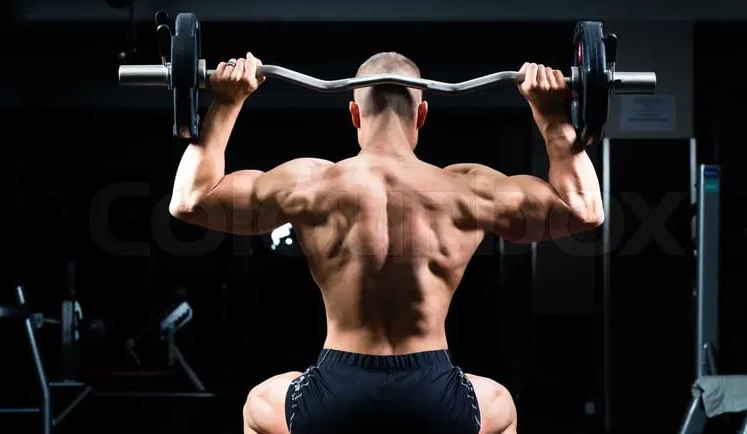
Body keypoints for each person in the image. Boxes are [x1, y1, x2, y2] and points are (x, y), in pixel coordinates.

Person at [169, 51, 603, 434]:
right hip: (434, 395)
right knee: (501, 407)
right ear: (422, 115)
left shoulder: (311, 182)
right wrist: (550, 116)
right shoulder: (468, 187)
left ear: (355, 115)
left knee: (258, 406)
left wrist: (226, 103)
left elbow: (190, 200)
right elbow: (584, 210)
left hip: (337, 392)